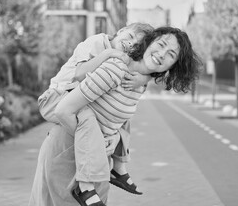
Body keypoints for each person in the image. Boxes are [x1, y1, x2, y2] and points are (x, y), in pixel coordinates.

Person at [28, 26, 201, 206]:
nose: (162, 53)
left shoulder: (138, 82)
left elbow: (112, 117)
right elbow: (64, 110)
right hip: (69, 152)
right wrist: (98, 143)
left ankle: (118, 170)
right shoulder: (114, 66)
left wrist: (114, 137)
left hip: (96, 161)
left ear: (173, 66)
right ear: (148, 43)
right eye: (161, 44)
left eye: (171, 54)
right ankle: (92, 184)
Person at [36, 23, 154, 198]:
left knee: (125, 112)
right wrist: (108, 54)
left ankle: (119, 167)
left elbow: (150, 70)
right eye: (129, 37)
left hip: (77, 103)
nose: (130, 44)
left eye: (136, 45)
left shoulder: (124, 58)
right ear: (121, 31)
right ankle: (85, 186)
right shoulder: (98, 42)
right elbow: (79, 74)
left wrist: (142, 79)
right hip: (56, 97)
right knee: (87, 115)